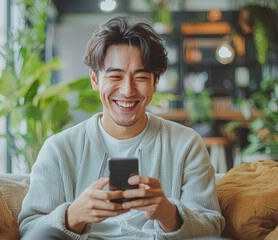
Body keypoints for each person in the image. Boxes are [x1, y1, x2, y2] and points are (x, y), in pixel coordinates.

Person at [18, 16, 225, 240]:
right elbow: (30, 228)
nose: (127, 90)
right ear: (95, 80)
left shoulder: (186, 144)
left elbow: (212, 226)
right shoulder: (59, 148)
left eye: (141, 77)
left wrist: (168, 213)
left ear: (155, 82)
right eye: (115, 76)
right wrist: (73, 216)